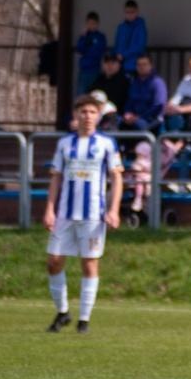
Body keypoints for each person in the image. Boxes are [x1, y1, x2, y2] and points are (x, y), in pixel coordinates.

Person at [42, 94, 123, 335]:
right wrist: (49, 208)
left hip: (93, 215)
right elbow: (56, 176)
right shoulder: (65, 144)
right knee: (54, 261)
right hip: (65, 214)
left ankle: (84, 320)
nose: (87, 116)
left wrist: (114, 209)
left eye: (92, 112)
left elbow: (117, 177)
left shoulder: (107, 144)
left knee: (89, 264)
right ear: (76, 116)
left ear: (98, 116)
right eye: (83, 112)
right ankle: (63, 312)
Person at [121, 55, 167, 132]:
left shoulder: (157, 82)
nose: (141, 67)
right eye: (139, 65)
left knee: (137, 125)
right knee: (118, 123)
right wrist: (127, 114)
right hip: (134, 118)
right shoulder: (134, 83)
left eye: (144, 64)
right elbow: (129, 102)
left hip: (151, 120)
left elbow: (158, 106)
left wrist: (138, 117)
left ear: (151, 66)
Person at [74, 11, 107, 92]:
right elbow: (80, 49)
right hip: (84, 70)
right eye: (89, 23)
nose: (91, 26)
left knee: (94, 93)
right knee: (81, 93)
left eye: (93, 23)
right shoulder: (84, 36)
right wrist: (83, 38)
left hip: (95, 70)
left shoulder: (100, 37)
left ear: (97, 24)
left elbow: (98, 52)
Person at [113, 0, 148, 71]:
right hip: (120, 65)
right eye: (127, 12)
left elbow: (139, 46)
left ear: (137, 12)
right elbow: (117, 44)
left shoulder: (140, 27)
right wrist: (115, 57)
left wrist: (123, 54)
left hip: (134, 66)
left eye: (132, 12)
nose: (130, 15)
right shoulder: (121, 27)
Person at [96, 53, 131, 117]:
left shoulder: (124, 81)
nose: (110, 66)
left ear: (119, 65)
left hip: (118, 115)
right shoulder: (99, 80)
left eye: (113, 63)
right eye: (107, 63)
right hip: (99, 113)